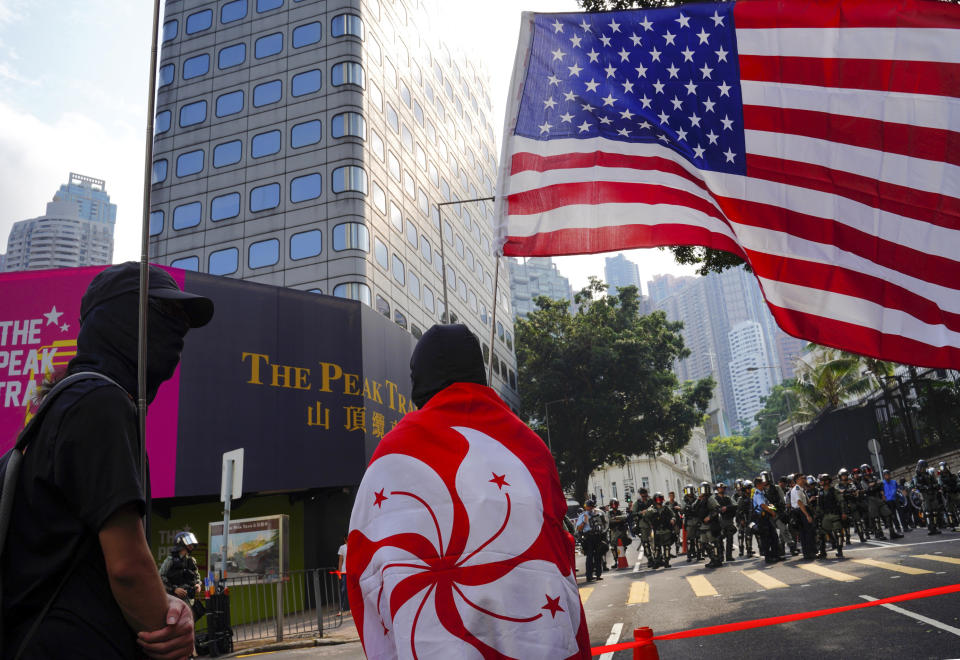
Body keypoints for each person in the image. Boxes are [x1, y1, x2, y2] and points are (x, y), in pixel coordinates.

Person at [1, 262, 213, 659]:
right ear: (119, 318)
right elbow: (127, 567)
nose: (178, 334)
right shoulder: (101, 403)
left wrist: (172, 602)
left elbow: (92, 565)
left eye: (184, 324)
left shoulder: (63, 407)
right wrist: (173, 638)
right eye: (166, 315)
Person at [346, 324, 590, 659]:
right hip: (537, 640)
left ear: (419, 380)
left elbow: (363, 573)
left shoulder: (390, 454)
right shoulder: (529, 446)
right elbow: (559, 549)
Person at [160, 531, 204, 619]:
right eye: (189, 543)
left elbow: (197, 576)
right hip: (175, 600)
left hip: (189, 600)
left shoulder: (191, 560)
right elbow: (160, 577)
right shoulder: (170, 560)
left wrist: (198, 584)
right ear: (181, 543)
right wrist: (174, 589)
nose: (191, 546)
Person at [643, 493, 675, 568]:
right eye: (657, 499)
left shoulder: (666, 508)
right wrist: (649, 514)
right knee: (657, 548)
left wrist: (673, 519)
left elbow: (673, 515)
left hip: (666, 530)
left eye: (660, 499)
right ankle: (656, 562)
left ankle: (666, 561)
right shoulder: (652, 509)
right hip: (657, 531)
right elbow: (646, 517)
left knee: (667, 547)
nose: (659, 501)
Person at [576, 501, 605, 582]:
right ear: (586, 507)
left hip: (597, 536)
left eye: (592, 506)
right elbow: (578, 528)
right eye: (589, 506)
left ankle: (598, 574)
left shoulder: (597, 514)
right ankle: (589, 576)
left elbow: (603, 524)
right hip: (588, 538)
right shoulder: (583, 515)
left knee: (598, 556)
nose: (591, 508)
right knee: (589, 557)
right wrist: (584, 521)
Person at [753, 477, 779, 564]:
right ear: (758, 485)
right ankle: (768, 557)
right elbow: (763, 505)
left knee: (774, 536)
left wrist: (775, 509)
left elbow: (768, 503)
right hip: (762, 519)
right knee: (766, 538)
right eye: (761, 483)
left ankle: (775, 555)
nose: (764, 484)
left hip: (767, 518)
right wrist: (772, 512)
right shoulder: (757, 494)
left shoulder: (763, 493)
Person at [916, 459, 942, 535]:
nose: (923, 469)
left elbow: (935, 482)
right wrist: (925, 487)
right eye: (922, 467)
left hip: (932, 494)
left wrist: (934, 486)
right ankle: (930, 528)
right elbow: (917, 485)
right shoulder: (917, 476)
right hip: (925, 495)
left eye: (924, 467)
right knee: (927, 512)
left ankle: (935, 527)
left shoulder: (929, 474)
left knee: (934, 511)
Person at [714, 482, 737, 562]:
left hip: (728, 520)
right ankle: (720, 556)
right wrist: (720, 509)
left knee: (730, 538)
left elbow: (735, 506)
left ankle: (729, 556)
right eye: (720, 488)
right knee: (719, 540)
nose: (721, 489)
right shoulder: (715, 499)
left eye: (723, 488)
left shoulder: (728, 498)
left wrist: (726, 508)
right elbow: (714, 509)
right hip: (719, 522)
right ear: (717, 489)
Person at [881, 470, 904, 538]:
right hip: (888, 501)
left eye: (888, 474)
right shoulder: (882, 483)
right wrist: (884, 499)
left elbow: (897, 489)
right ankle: (897, 527)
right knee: (893, 515)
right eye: (886, 475)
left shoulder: (894, 482)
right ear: (884, 476)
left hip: (895, 499)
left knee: (901, 513)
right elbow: (882, 492)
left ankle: (904, 526)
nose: (887, 476)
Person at [336, 534, 349, 612]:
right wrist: (339, 572)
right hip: (344, 571)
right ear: (345, 539)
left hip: (353, 571)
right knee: (344, 589)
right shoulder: (342, 547)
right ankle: (343, 606)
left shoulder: (354, 546)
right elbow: (340, 560)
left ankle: (352, 607)